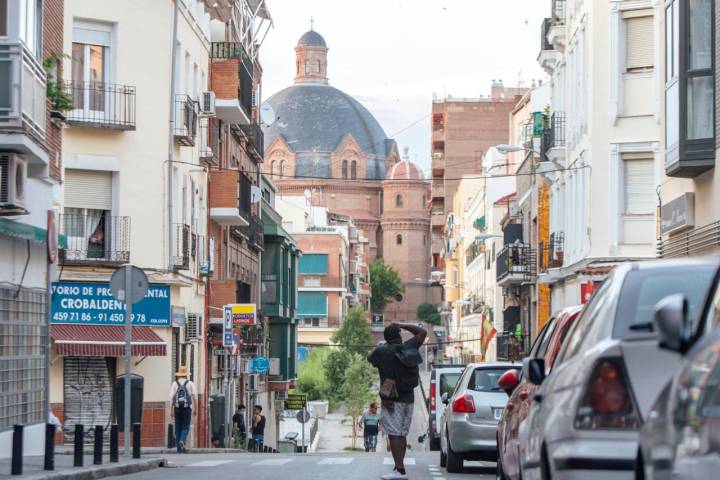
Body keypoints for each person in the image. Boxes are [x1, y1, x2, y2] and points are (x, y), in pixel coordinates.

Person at [368, 323, 427, 480]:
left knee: (394, 434)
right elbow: (422, 332)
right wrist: (402, 324)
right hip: (409, 398)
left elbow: (370, 358)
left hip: (391, 399)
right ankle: (399, 469)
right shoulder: (409, 346)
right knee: (401, 434)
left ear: (386, 338)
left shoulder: (382, 351)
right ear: (399, 335)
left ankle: (399, 470)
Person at [168, 365, 197, 453]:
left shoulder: (174, 384)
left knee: (177, 427)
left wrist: (170, 410)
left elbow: (171, 398)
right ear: (186, 374)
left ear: (179, 374)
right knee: (185, 426)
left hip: (177, 408)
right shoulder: (190, 383)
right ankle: (182, 440)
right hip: (187, 408)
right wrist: (195, 408)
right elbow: (195, 397)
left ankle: (179, 449)